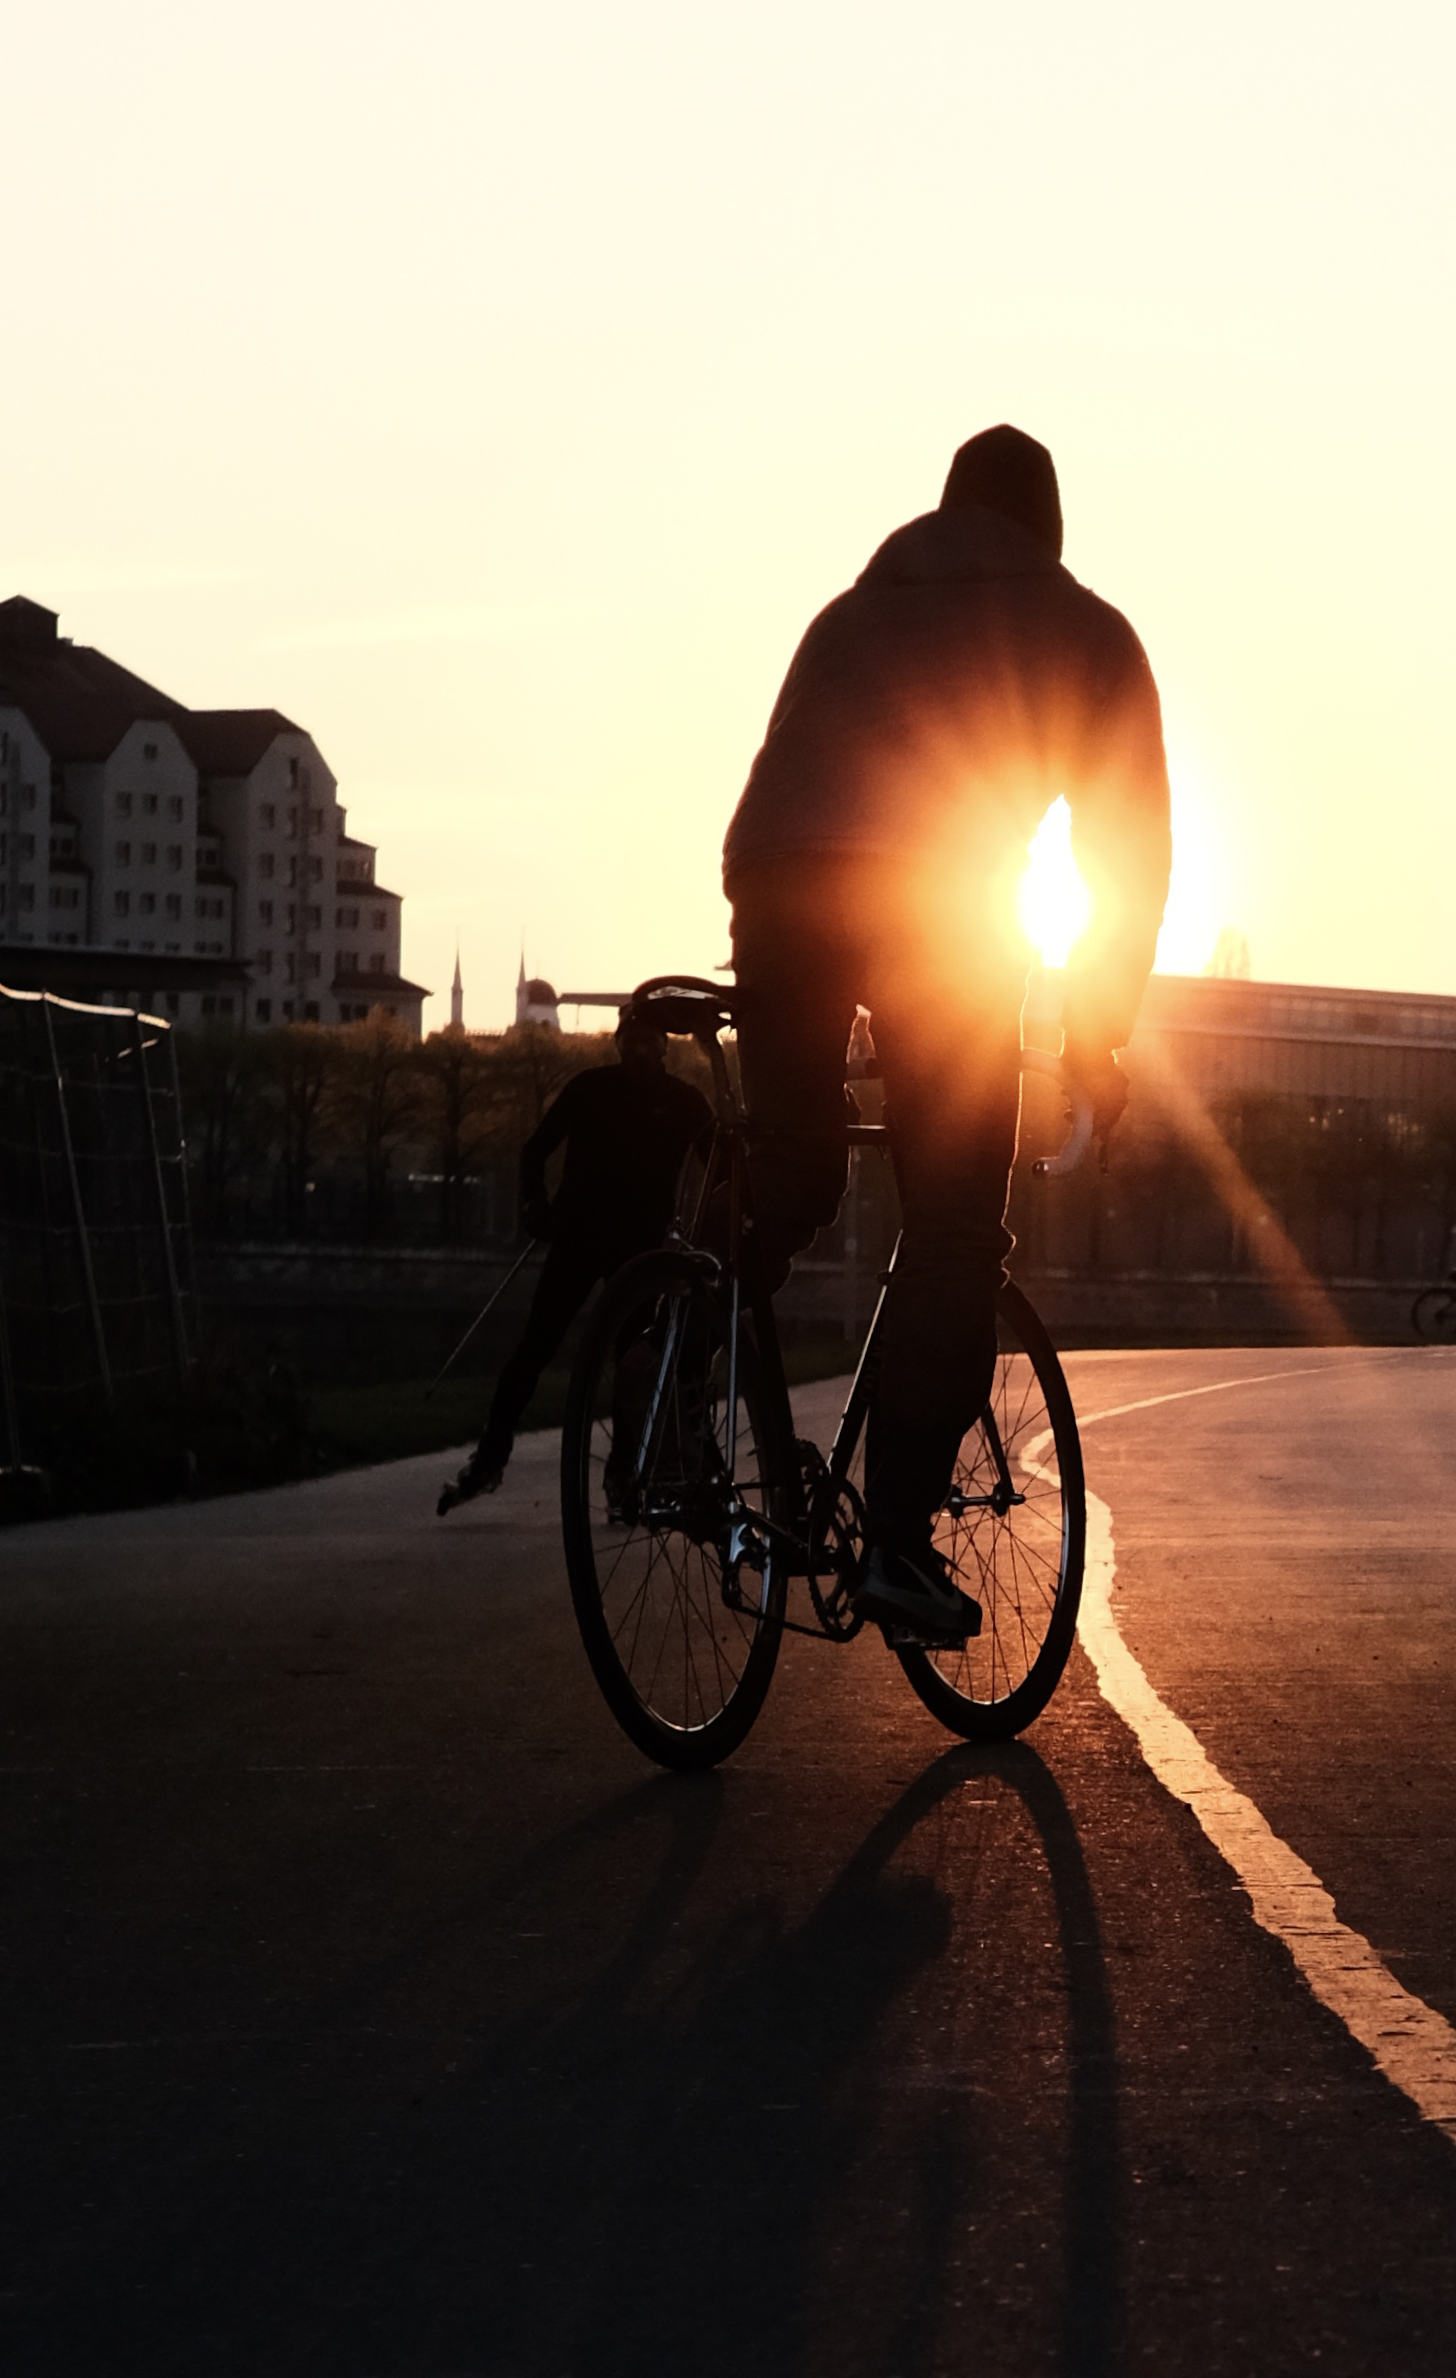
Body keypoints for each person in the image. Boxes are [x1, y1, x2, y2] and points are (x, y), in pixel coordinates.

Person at [720, 424, 1170, 1641]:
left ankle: (670, 1365)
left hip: (776, 878)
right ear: (1052, 530)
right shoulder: (1085, 632)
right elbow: (1127, 855)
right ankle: (898, 1541)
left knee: (795, 1171)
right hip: (938, 898)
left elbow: (793, 793)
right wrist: (1095, 1039)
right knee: (957, 1220)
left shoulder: (846, 614)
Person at [438, 1004, 712, 1511]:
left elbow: (719, 1163)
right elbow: (534, 1150)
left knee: (629, 1362)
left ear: (664, 1047)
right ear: (618, 1043)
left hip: (637, 1249)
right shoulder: (594, 1089)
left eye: (648, 1040)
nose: (639, 1050)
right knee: (536, 1349)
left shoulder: (685, 1103)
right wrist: (535, 1206)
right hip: (581, 1238)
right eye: (631, 1040)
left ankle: (623, 1476)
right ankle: (491, 1458)